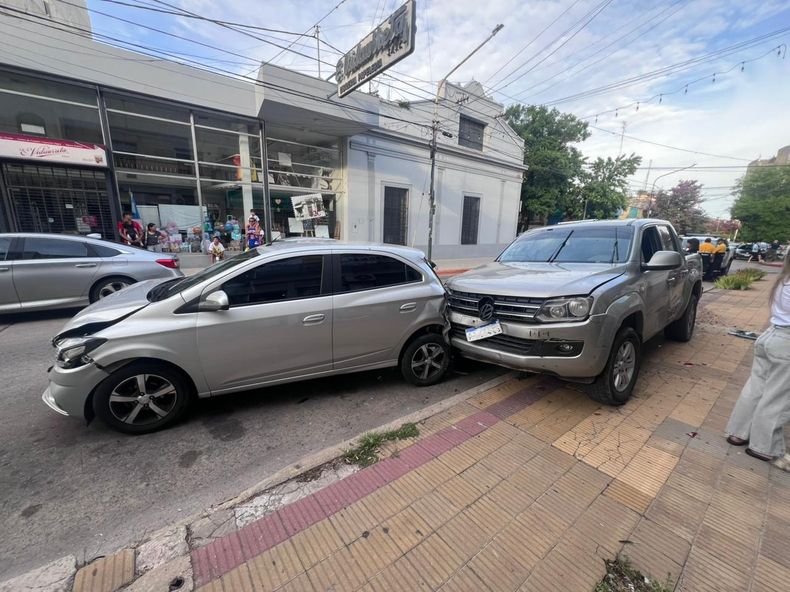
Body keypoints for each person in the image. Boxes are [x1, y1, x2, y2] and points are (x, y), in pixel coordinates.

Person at [725, 254, 790, 471]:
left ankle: (738, 433)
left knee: (756, 387)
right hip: (785, 343)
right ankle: (763, 445)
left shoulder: (783, 280)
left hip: (770, 336)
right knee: (777, 396)